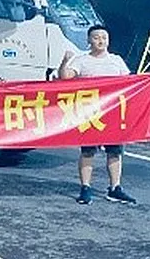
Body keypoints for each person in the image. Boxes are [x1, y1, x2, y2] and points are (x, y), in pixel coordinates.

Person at [58, 25, 136, 205]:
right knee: (88, 152)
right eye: (96, 37)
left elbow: (129, 82)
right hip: (89, 113)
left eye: (104, 37)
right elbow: (65, 77)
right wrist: (65, 61)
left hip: (112, 113)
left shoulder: (116, 61)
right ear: (89, 40)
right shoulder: (81, 60)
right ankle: (85, 187)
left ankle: (115, 188)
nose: (100, 41)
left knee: (115, 152)